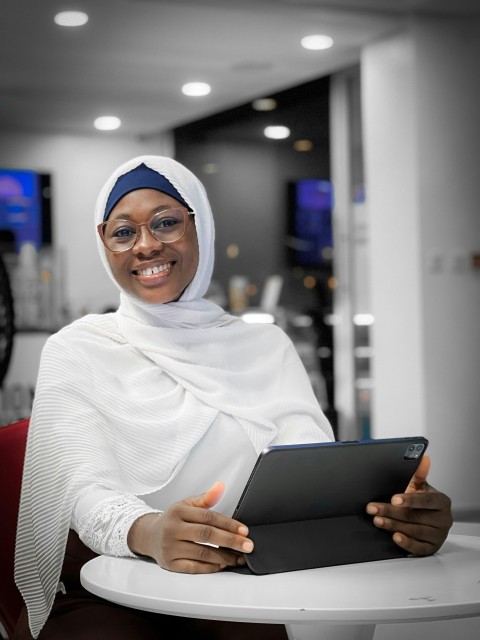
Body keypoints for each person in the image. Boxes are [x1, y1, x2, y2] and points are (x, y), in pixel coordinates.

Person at [14, 156, 453, 639]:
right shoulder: (79, 349)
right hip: (113, 578)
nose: (146, 245)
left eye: (166, 223)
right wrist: (151, 532)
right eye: (123, 232)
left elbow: (309, 467)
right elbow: (82, 490)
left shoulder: (263, 346)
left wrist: (395, 513)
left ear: (200, 226)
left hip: (237, 576)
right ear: (105, 245)